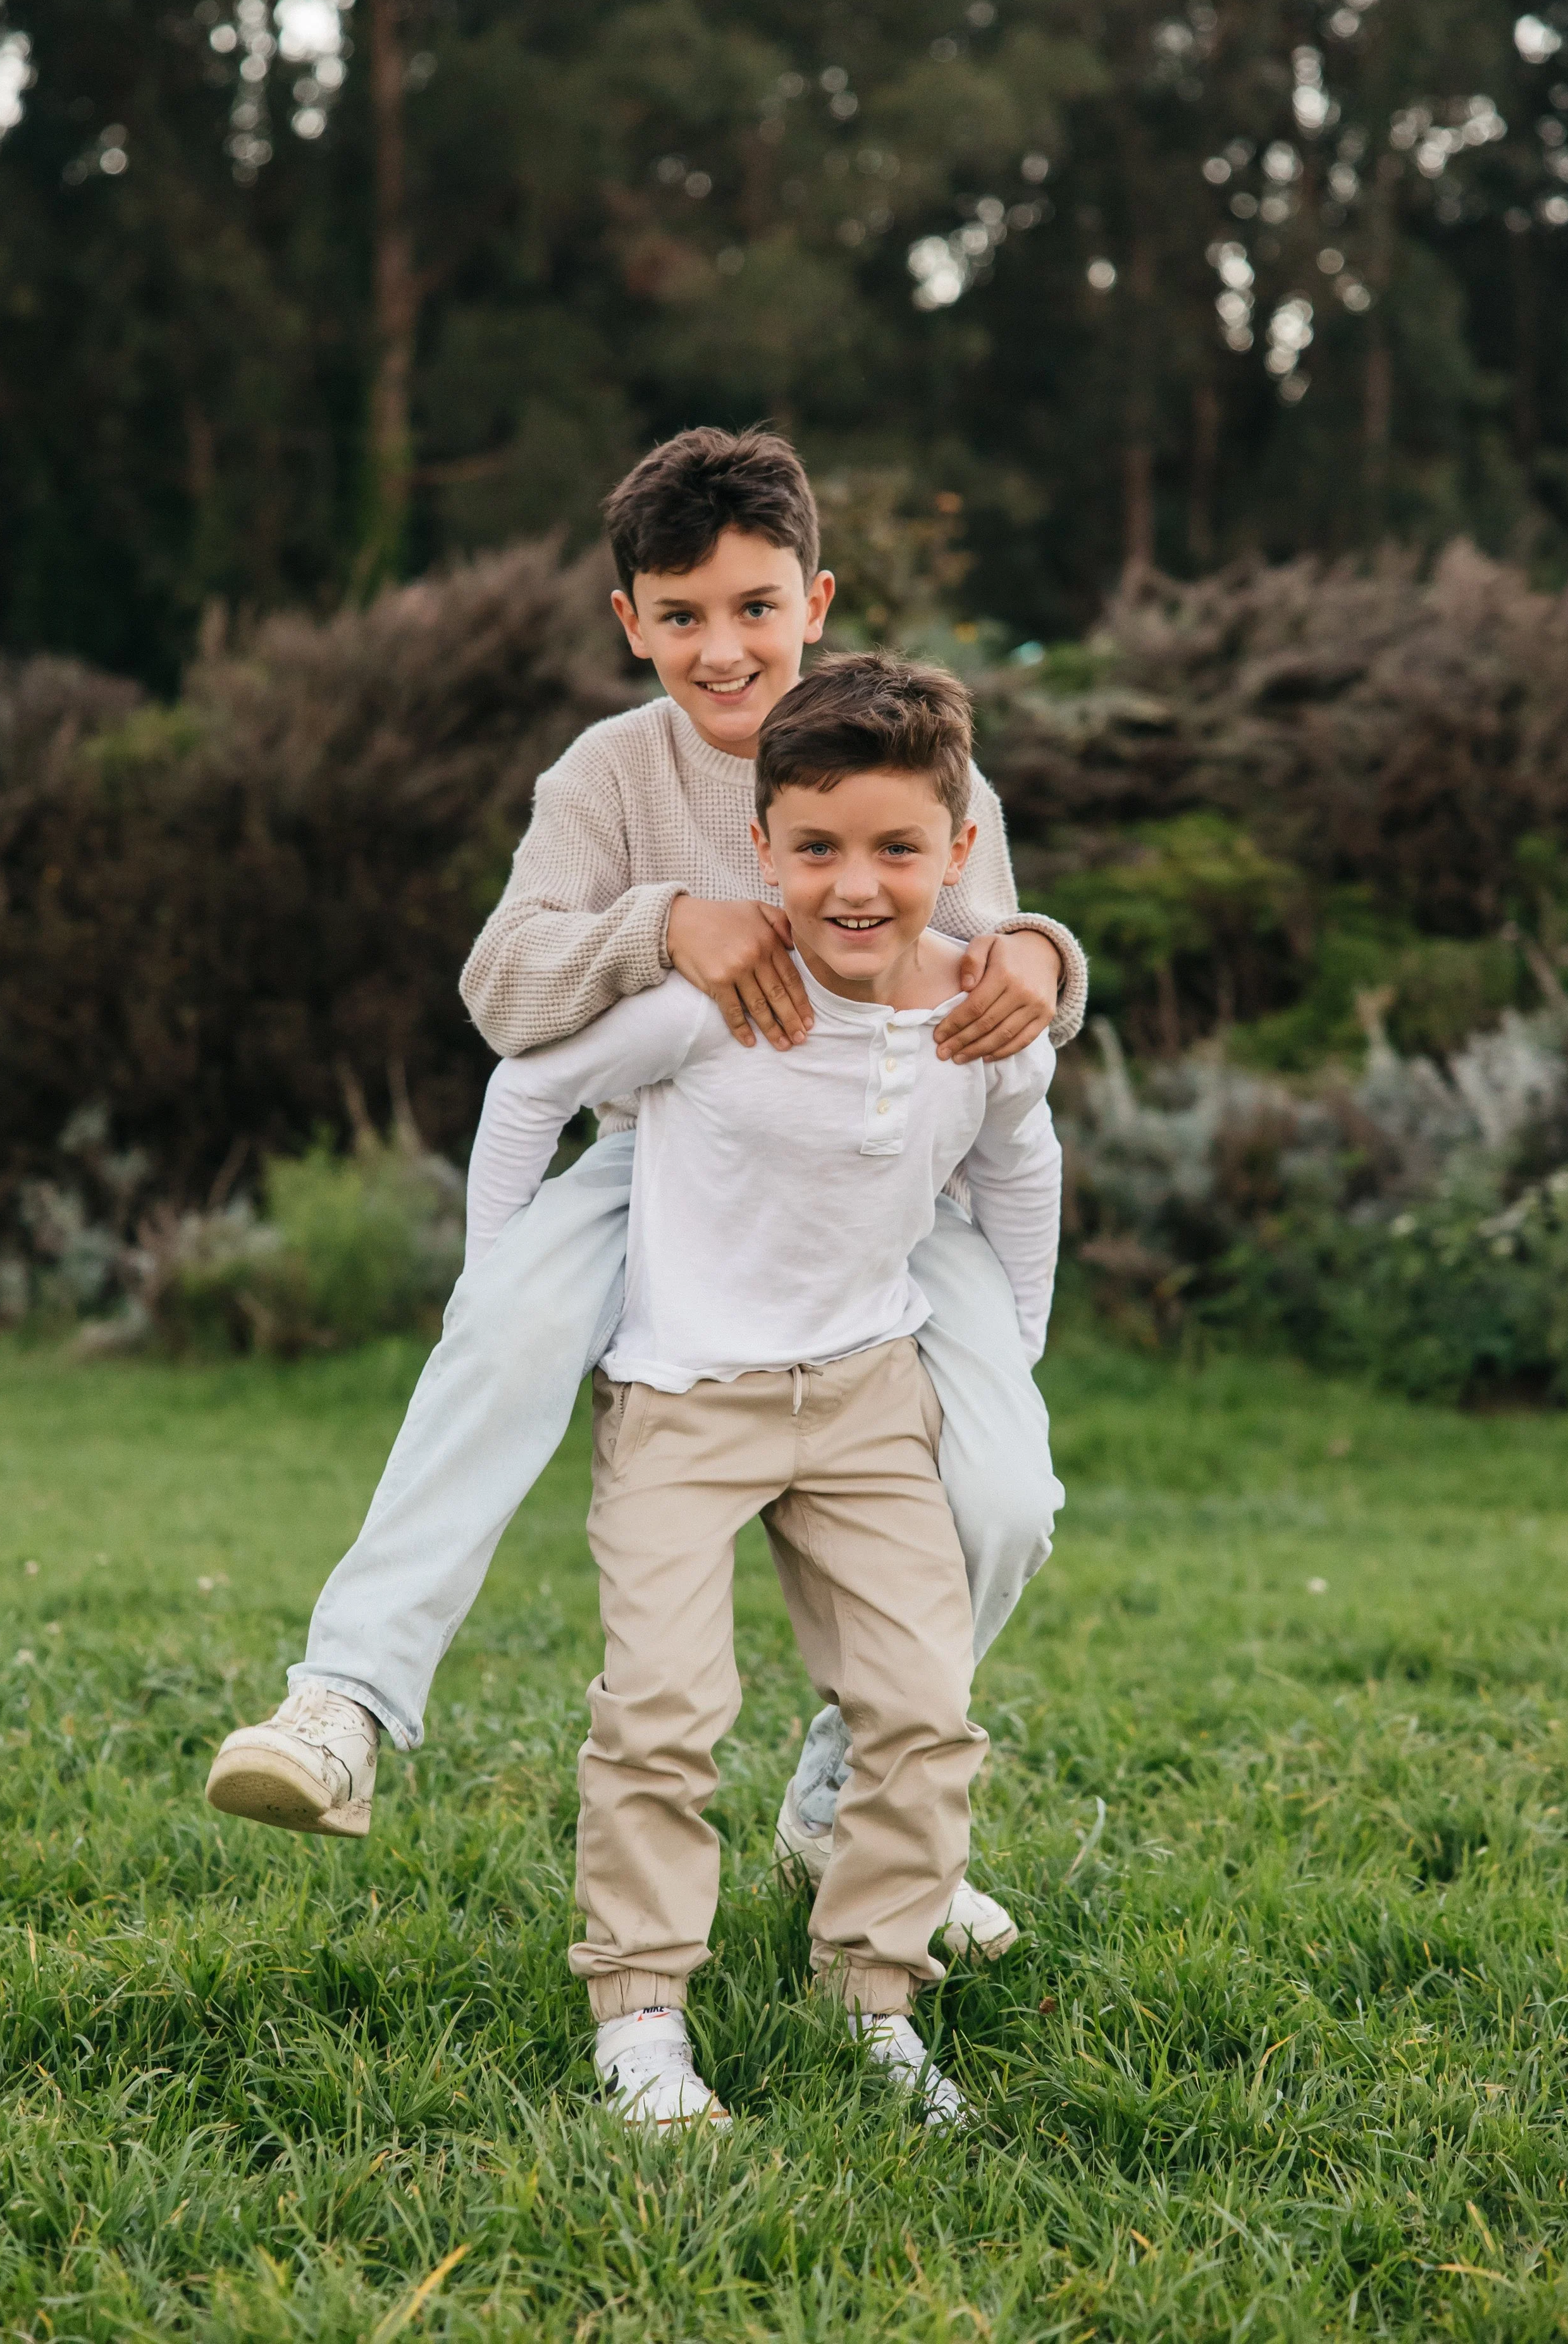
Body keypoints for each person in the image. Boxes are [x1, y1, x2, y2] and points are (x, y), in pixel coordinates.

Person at [206, 429, 1082, 1958]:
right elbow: (500, 987)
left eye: (753, 608)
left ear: (814, 598)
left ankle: (847, 1792)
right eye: (680, 616)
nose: (720, 647)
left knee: (1007, 1495)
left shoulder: (938, 772)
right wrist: (660, 922)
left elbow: (992, 981)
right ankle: (344, 1698)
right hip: (659, 1154)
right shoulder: (607, 775)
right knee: (500, 1335)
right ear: (631, 623)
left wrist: (1041, 956)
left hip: (888, 1192)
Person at [464, 653, 1061, 2125]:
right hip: (682, 1397)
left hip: (864, 1398)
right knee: (662, 1707)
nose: (855, 887)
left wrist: (1018, 1353)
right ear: (762, 849)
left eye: (895, 851)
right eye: (816, 850)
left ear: (957, 853)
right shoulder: (712, 1000)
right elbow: (526, 1089)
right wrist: (494, 1295)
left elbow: (1020, 1162)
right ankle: (641, 2017)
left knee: (921, 1709)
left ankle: (872, 2001)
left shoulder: (977, 1017)